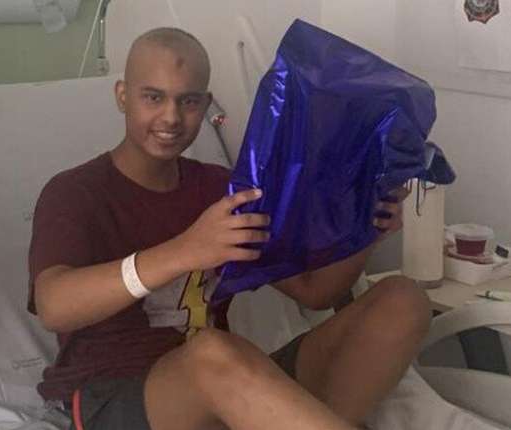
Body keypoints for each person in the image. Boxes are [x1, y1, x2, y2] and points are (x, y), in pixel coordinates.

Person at [28, 27, 431, 430]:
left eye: (188, 101)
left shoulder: (221, 188)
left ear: (204, 106)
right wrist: (186, 250)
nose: (171, 117)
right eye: (153, 97)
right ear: (122, 96)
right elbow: (54, 307)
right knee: (214, 352)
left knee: (401, 300)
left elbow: (314, 293)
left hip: (226, 389)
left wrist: (367, 231)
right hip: (116, 399)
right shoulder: (77, 191)